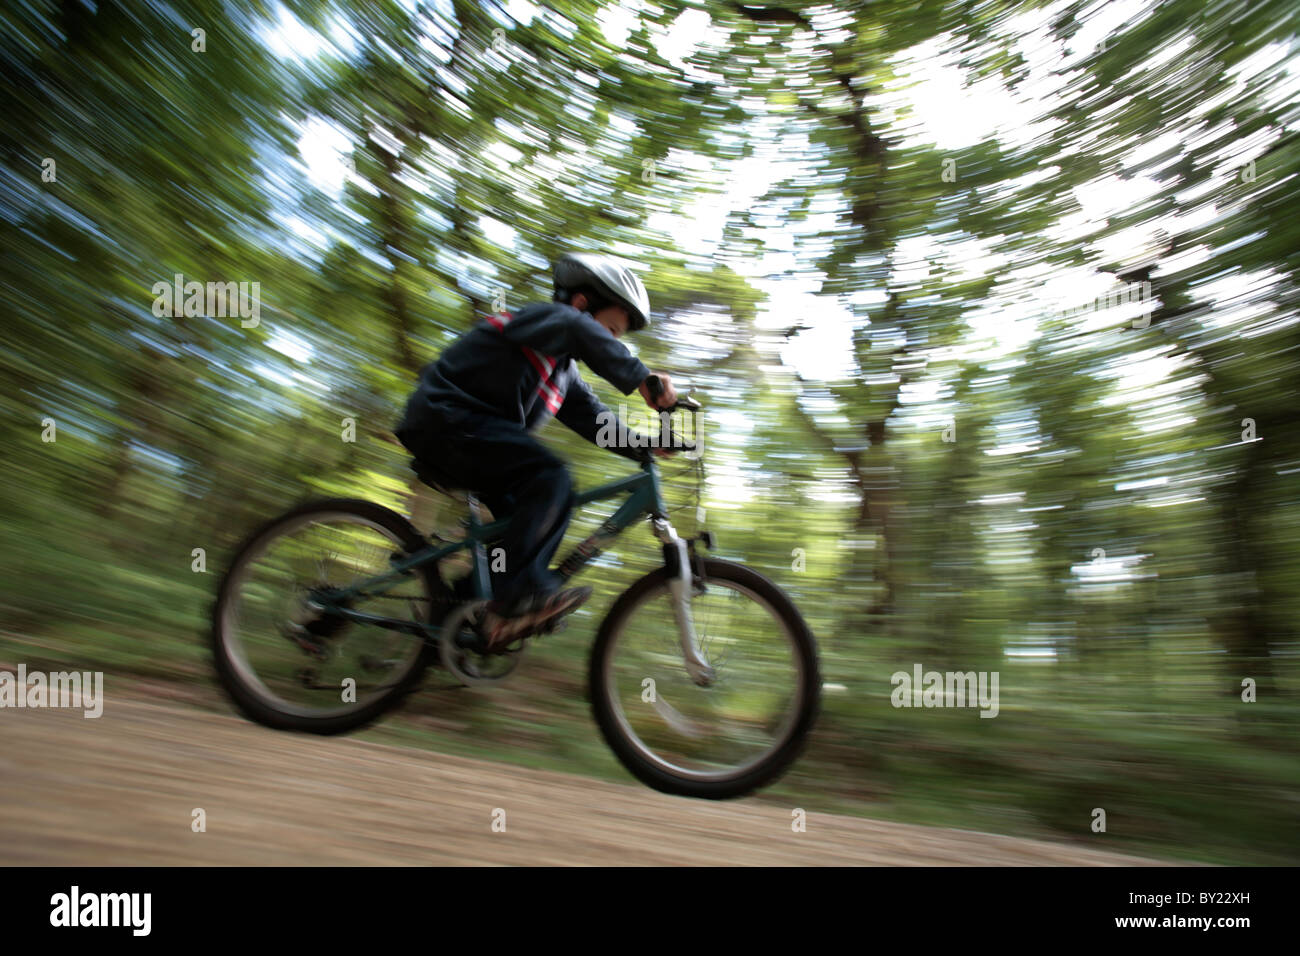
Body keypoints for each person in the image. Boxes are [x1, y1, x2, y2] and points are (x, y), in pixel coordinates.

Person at [394, 253, 678, 649]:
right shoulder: (540, 320)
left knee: (527, 520)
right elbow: (574, 328)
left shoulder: (563, 371)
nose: (611, 343)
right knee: (551, 479)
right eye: (611, 330)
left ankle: (460, 607)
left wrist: (645, 448)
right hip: (446, 419)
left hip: (477, 441)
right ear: (581, 304)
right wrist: (639, 377)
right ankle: (514, 599)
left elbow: (595, 420)